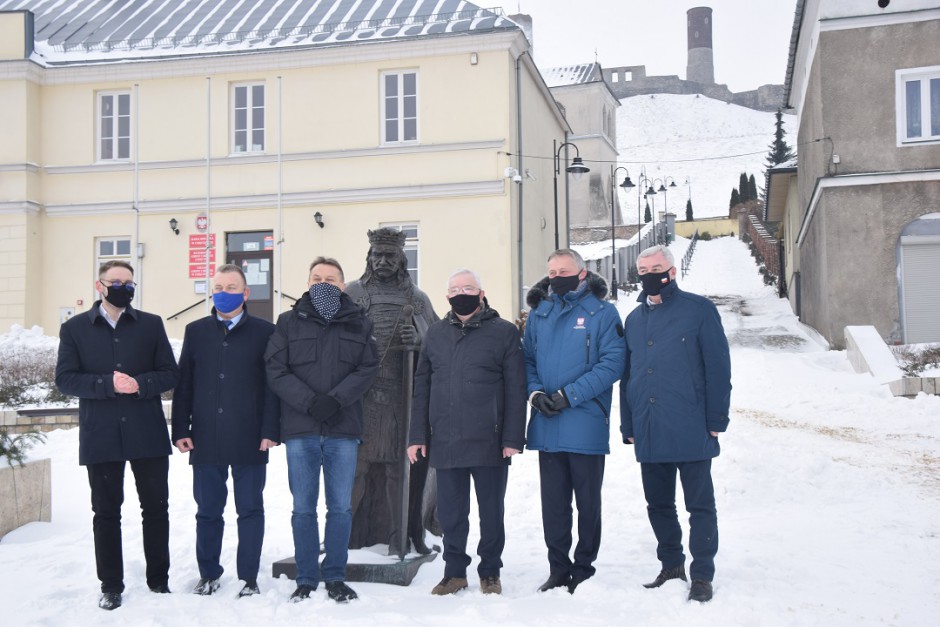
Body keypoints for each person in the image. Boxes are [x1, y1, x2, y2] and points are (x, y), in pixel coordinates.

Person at [55, 260, 179, 611]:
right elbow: (65, 379)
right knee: (106, 512)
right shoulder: (75, 328)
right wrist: (105, 384)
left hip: (146, 432)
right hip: (102, 434)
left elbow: (170, 373)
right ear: (100, 285)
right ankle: (111, 584)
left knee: (156, 509)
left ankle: (159, 580)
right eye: (116, 282)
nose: (123, 287)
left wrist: (141, 383)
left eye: (129, 282)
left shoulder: (151, 325)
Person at [620, 244, 732, 603]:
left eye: (656, 267)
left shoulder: (699, 310)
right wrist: (629, 424)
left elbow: (718, 367)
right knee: (659, 504)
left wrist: (716, 419)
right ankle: (671, 565)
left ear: (671, 270)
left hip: (691, 424)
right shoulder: (634, 319)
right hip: (649, 427)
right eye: (643, 269)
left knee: (699, 505)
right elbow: (629, 375)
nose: (649, 274)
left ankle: (701, 574)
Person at [264, 257, 379, 603]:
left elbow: (368, 367)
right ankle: (306, 576)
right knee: (303, 508)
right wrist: (310, 401)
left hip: (343, 430)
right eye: (317, 278)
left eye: (331, 279)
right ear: (308, 282)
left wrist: (336, 400)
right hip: (302, 429)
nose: (324, 283)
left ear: (343, 286)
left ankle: (335, 576)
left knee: (341, 508)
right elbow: (275, 368)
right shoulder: (287, 322)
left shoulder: (360, 322)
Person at [407, 269, 526, 596]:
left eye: (468, 288)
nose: (462, 293)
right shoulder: (435, 334)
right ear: (447, 296)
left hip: (490, 441)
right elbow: (422, 387)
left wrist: (513, 438)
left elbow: (516, 388)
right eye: (456, 289)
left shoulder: (503, 333)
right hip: (445, 440)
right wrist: (417, 435)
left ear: (481, 293)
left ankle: (490, 572)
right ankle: (454, 572)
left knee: (491, 513)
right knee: (450, 514)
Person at [171, 264, 280, 599]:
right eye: (218, 286)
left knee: (249, 509)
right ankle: (208, 573)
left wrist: (269, 429)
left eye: (232, 287)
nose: (224, 292)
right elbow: (184, 383)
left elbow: (271, 387)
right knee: (208, 510)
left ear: (246, 293)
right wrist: (180, 428)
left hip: (250, 437)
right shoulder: (196, 330)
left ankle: (248, 576)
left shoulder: (265, 331)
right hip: (205, 436)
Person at [523, 249, 626, 594]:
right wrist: (536, 394)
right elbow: (527, 361)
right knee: (553, 503)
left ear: (582, 274)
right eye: (551, 272)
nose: (556, 277)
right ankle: (557, 567)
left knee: (587, 502)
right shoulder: (540, 313)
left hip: (584, 421)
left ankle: (584, 566)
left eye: (563, 271)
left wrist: (570, 395)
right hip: (548, 422)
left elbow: (613, 363)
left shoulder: (602, 313)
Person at [345, 228, 439, 555]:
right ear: (368, 258)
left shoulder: (416, 298)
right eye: (377, 255)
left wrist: (420, 342)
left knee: (400, 471)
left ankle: (403, 536)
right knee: (356, 470)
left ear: (402, 259)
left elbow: (437, 343)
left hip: (402, 400)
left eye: (390, 255)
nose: (383, 261)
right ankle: (344, 535)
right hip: (361, 401)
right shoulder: (352, 293)